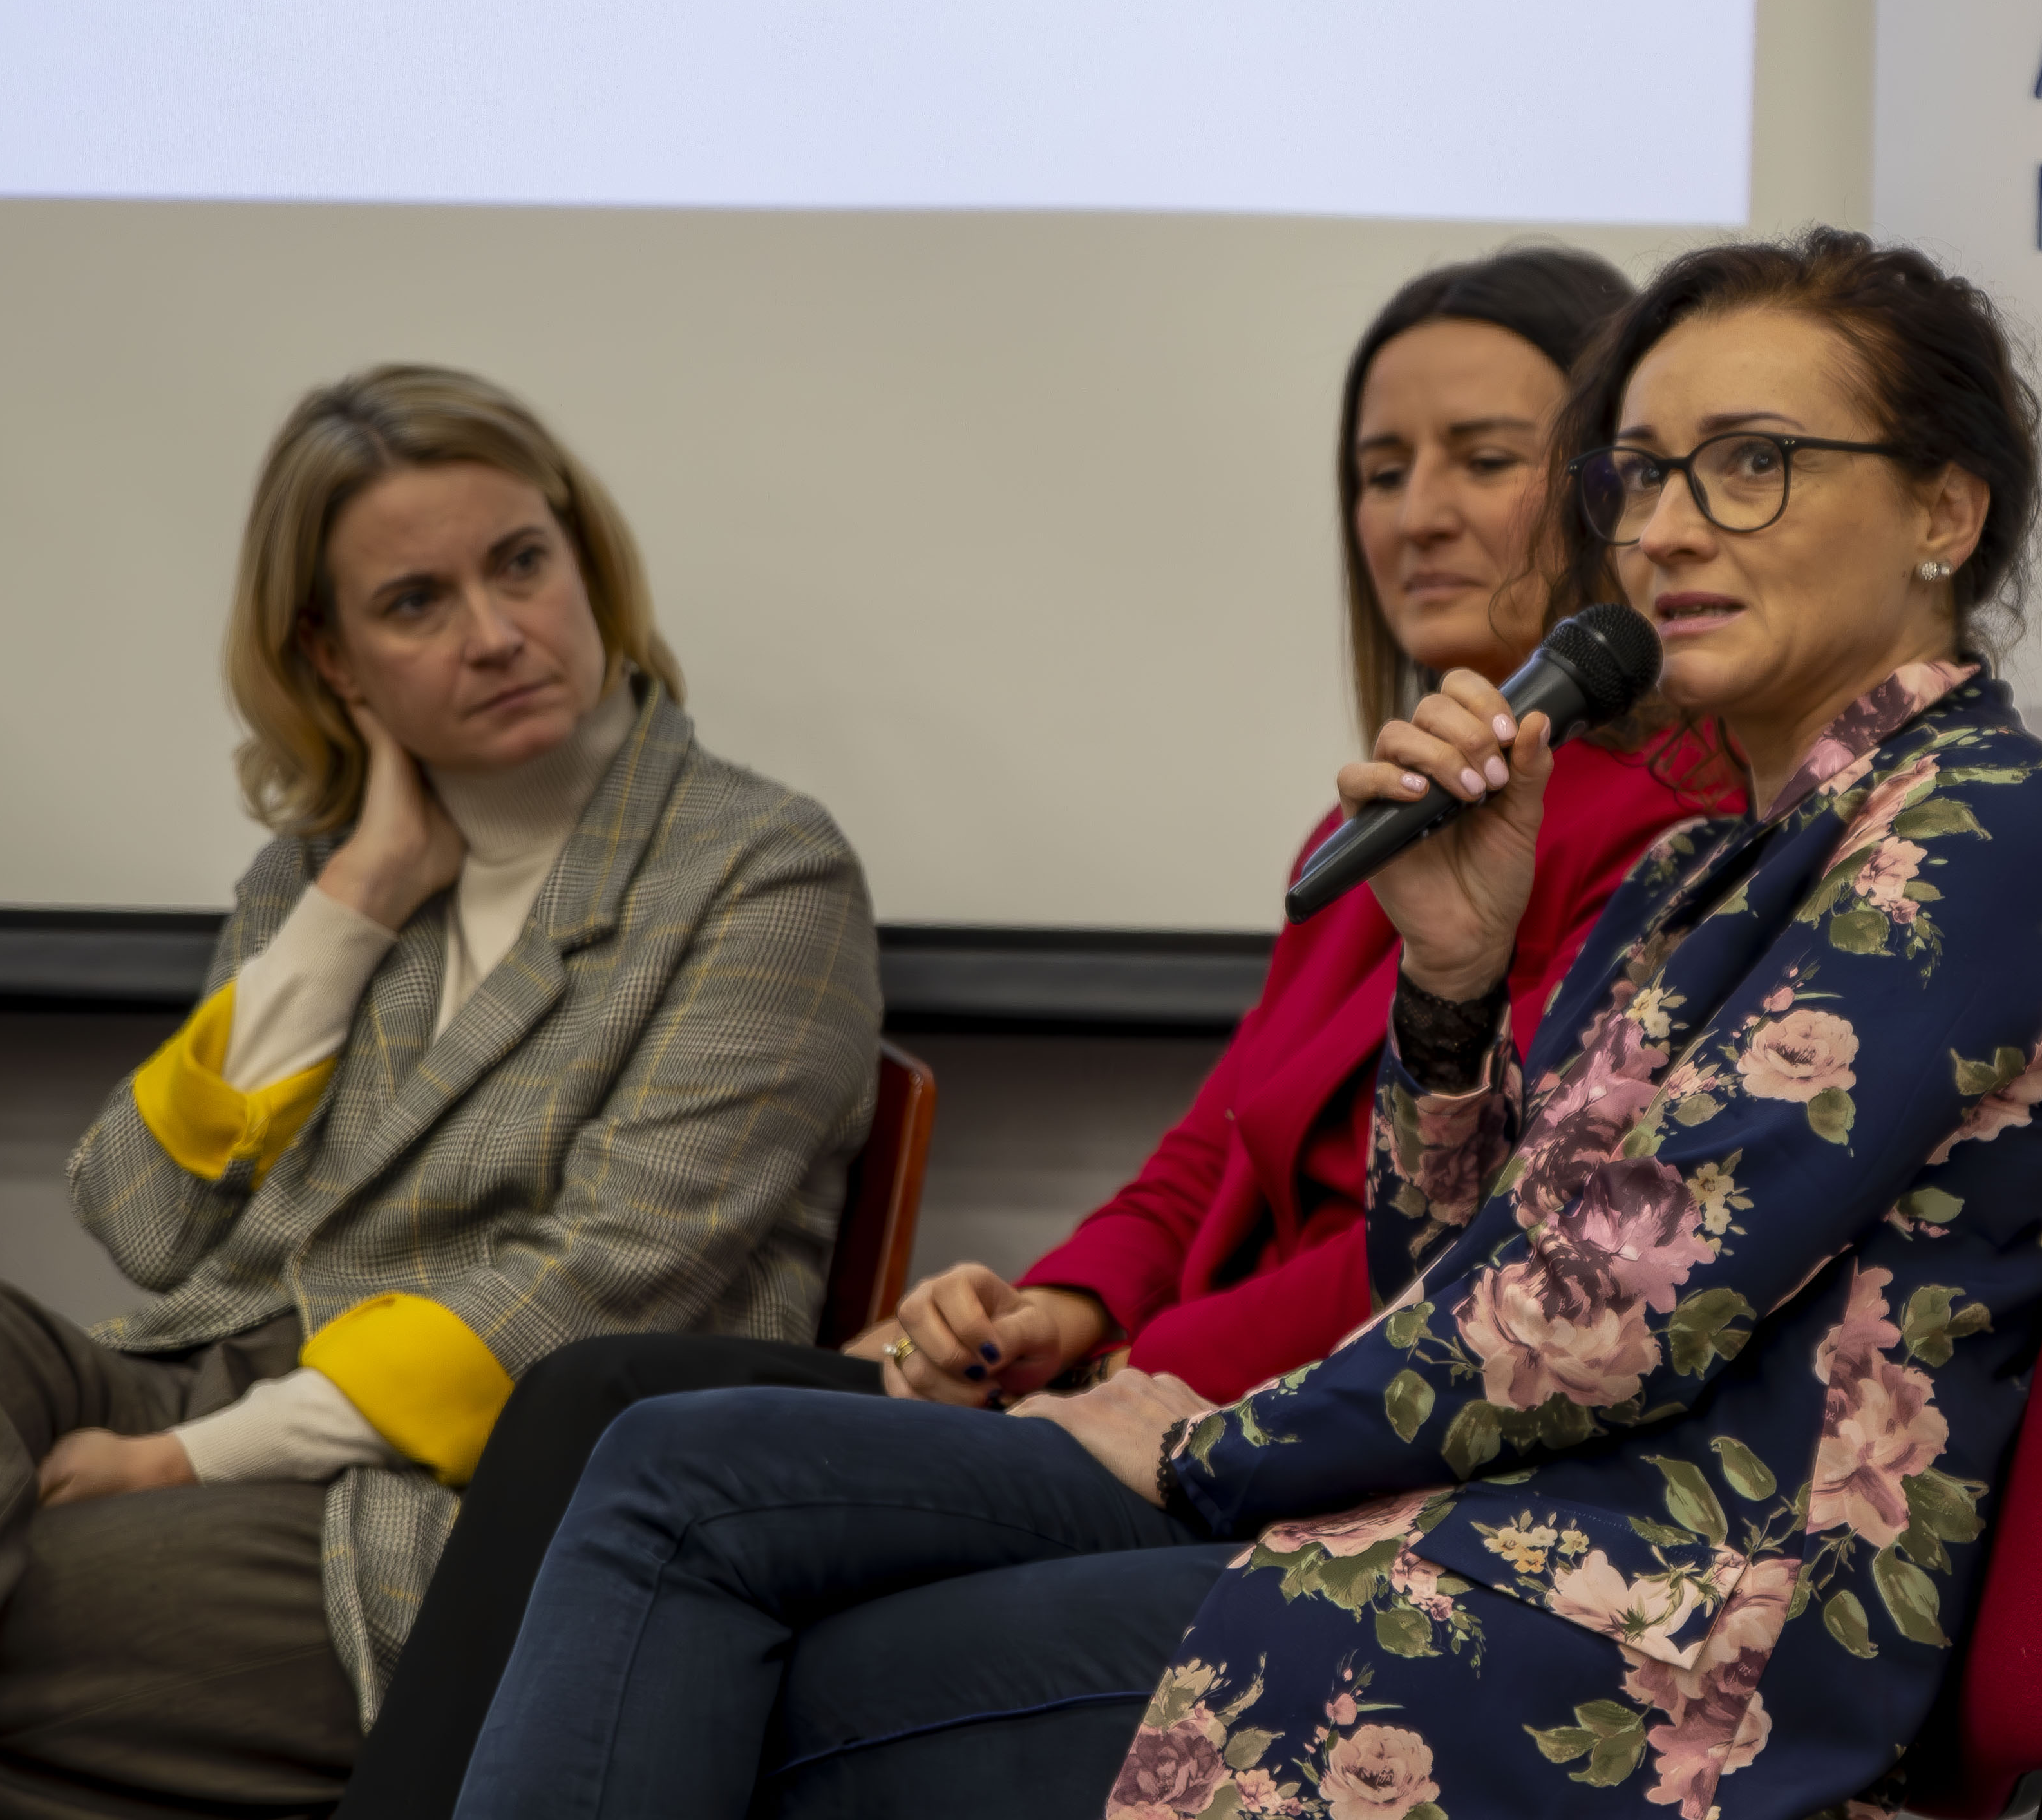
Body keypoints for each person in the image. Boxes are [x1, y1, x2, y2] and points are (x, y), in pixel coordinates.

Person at [450, 227, 2042, 1820]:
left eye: (1751, 461)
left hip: (1675, 1645)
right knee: (689, 1491)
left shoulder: (1987, 832)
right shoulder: (1711, 864)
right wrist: (1451, 981)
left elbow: (1599, 1318)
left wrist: (1200, 1445)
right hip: (1492, 1551)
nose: (1663, 530)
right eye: (1639, 473)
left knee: (743, 1578)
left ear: (1944, 507)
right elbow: (1455, 1261)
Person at [339, 248, 1732, 1820]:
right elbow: (1211, 1146)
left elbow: (1470, 1243)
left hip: (1292, 1427)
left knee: (649, 1444)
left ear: (1608, 492)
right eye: (1379, 470)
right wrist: (1057, 1307)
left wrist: (1144, 1367)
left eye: (1483, 458)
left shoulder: (1652, 829)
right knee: (596, 1391)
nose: (1417, 513)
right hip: (1152, 1383)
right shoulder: (1396, 818)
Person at [0, 366, 885, 1820]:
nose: (496, 633)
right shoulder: (321, 867)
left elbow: (594, 1289)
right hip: (219, 1372)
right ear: (334, 658)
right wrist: (354, 901)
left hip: (485, 1497)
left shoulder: (764, 871)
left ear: (585, 563)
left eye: (522, 564)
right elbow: (144, 1223)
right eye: (417, 602)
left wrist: (187, 1460)